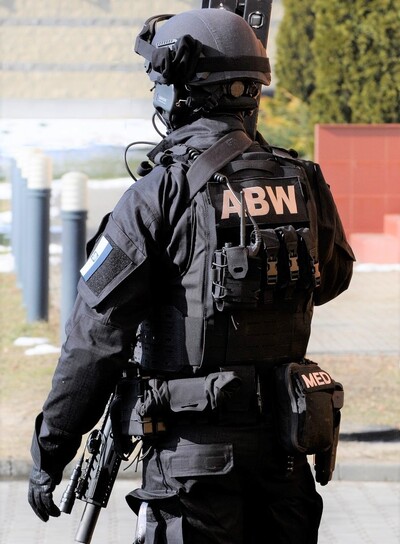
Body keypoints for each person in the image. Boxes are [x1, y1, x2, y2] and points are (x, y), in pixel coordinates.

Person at [28, 8, 355, 544]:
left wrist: (51, 449)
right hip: (285, 463)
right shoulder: (303, 181)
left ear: (180, 93)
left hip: (193, 473)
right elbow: (332, 279)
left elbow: (95, 338)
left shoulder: (158, 194)